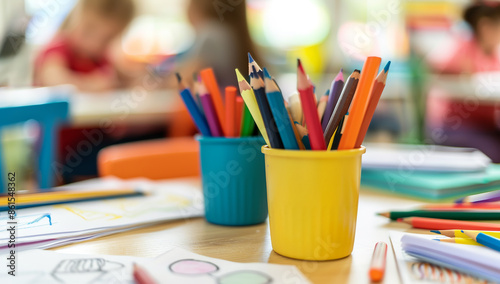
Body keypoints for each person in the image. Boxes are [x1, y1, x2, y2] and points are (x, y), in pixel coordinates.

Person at [428, 1, 500, 162]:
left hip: (485, 126)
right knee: (492, 152)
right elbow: (435, 65)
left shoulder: (494, 53)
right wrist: (461, 72)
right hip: (457, 128)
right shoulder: (462, 47)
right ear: (485, 26)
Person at [33, 0, 135, 92]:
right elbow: (53, 80)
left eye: (106, 39)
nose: (94, 44)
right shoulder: (58, 49)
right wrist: (90, 86)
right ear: (75, 17)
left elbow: (123, 79)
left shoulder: (102, 58)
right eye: (88, 31)